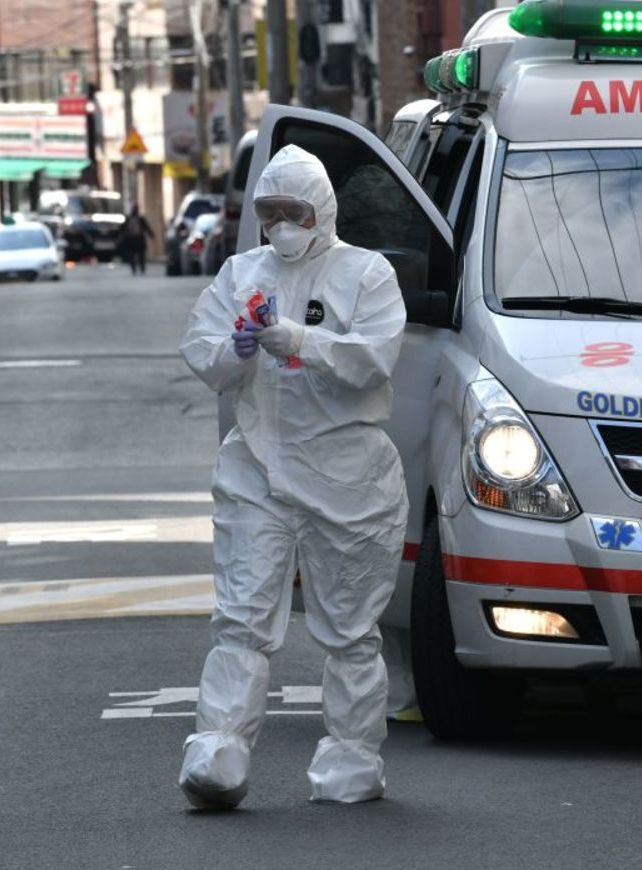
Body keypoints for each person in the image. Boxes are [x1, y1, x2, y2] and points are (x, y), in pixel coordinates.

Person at [178, 145, 409, 808]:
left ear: (323, 210)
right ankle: (218, 748)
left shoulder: (365, 274)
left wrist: (301, 341)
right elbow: (203, 351)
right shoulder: (240, 272)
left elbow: (373, 360)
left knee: (348, 628)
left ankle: (352, 755)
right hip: (258, 468)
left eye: (294, 210)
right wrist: (240, 348)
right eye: (269, 211)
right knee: (242, 617)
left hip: (348, 477)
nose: (282, 224)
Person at [122, 204, 154, 275]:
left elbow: (146, 227)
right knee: (133, 256)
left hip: (138, 239)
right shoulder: (129, 219)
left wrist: (151, 234)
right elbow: (123, 229)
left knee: (141, 255)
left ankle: (141, 268)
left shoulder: (139, 219)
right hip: (132, 240)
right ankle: (135, 268)